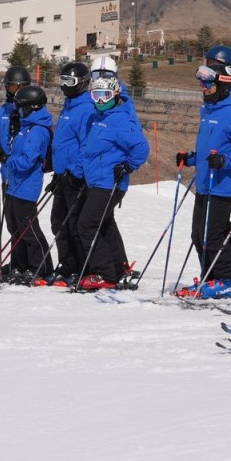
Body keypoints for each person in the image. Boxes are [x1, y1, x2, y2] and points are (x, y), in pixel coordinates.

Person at [175, 61, 231, 299]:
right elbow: (210, 149)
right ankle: (211, 276)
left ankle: (228, 279)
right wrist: (191, 159)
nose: (203, 87)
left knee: (211, 235)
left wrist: (225, 160)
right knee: (198, 234)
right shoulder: (210, 110)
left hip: (222, 185)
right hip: (205, 182)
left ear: (222, 85)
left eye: (208, 83)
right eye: (201, 82)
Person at [75, 75, 150, 289]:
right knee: (104, 224)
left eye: (105, 95)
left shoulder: (121, 120)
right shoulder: (96, 117)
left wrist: (127, 166)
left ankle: (104, 273)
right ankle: (118, 268)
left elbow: (141, 148)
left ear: (116, 93)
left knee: (87, 225)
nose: (100, 100)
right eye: (95, 95)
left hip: (109, 183)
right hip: (95, 181)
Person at [0, 85, 54, 283]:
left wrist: (5, 158)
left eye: (19, 106)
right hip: (15, 183)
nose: (16, 109)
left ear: (30, 107)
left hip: (27, 186)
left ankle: (41, 267)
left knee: (28, 229)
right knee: (15, 228)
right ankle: (20, 265)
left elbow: (27, 161)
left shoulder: (38, 131)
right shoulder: (26, 126)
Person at [43, 60, 92, 284]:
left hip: (76, 178)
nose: (64, 86)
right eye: (62, 81)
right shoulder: (69, 106)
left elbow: (86, 145)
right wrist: (57, 172)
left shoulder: (86, 109)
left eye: (69, 82)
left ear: (81, 83)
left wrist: (76, 171)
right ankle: (67, 264)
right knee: (57, 221)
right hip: (63, 175)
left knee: (73, 224)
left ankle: (81, 266)